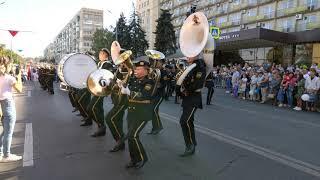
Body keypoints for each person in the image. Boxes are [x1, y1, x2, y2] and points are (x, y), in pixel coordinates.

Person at [120, 60, 155, 169]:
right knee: (131, 137)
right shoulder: (134, 80)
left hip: (143, 113)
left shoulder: (149, 82)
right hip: (132, 111)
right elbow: (125, 90)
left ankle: (142, 158)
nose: (136, 70)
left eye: (139, 69)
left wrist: (129, 92)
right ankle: (133, 159)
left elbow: (143, 95)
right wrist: (120, 85)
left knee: (132, 135)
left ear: (146, 71)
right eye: (136, 68)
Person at [176, 55, 206, 157]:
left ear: (196, 54)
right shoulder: (191, 66)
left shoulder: (200, 67)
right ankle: (191, 144)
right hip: (187, 98)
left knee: (184, 121)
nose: (187, 56)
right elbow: (186, 81)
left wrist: (185, 90)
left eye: (190, 54)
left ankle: (190, 145)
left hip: (194, 98)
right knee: (188, 121)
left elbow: (197, 84)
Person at [86, 48, 114, 137]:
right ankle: (101, 128)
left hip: (102, 89)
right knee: (99, 108)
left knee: (91, 107)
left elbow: (108, 77)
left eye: (101, 54)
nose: (99, 55)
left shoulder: (108, 64)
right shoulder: (100, 63)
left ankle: (102, 126)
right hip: (97, 89)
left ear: (105, 55)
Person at [0, 56, 23, 162]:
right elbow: (19, 90)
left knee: (5, 131)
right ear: (6, 65)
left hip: (2, 104)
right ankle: (6, 155)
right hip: (8, 104)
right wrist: (18, 76)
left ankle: (1, 152)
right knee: (8, 132)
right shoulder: (9, 78)